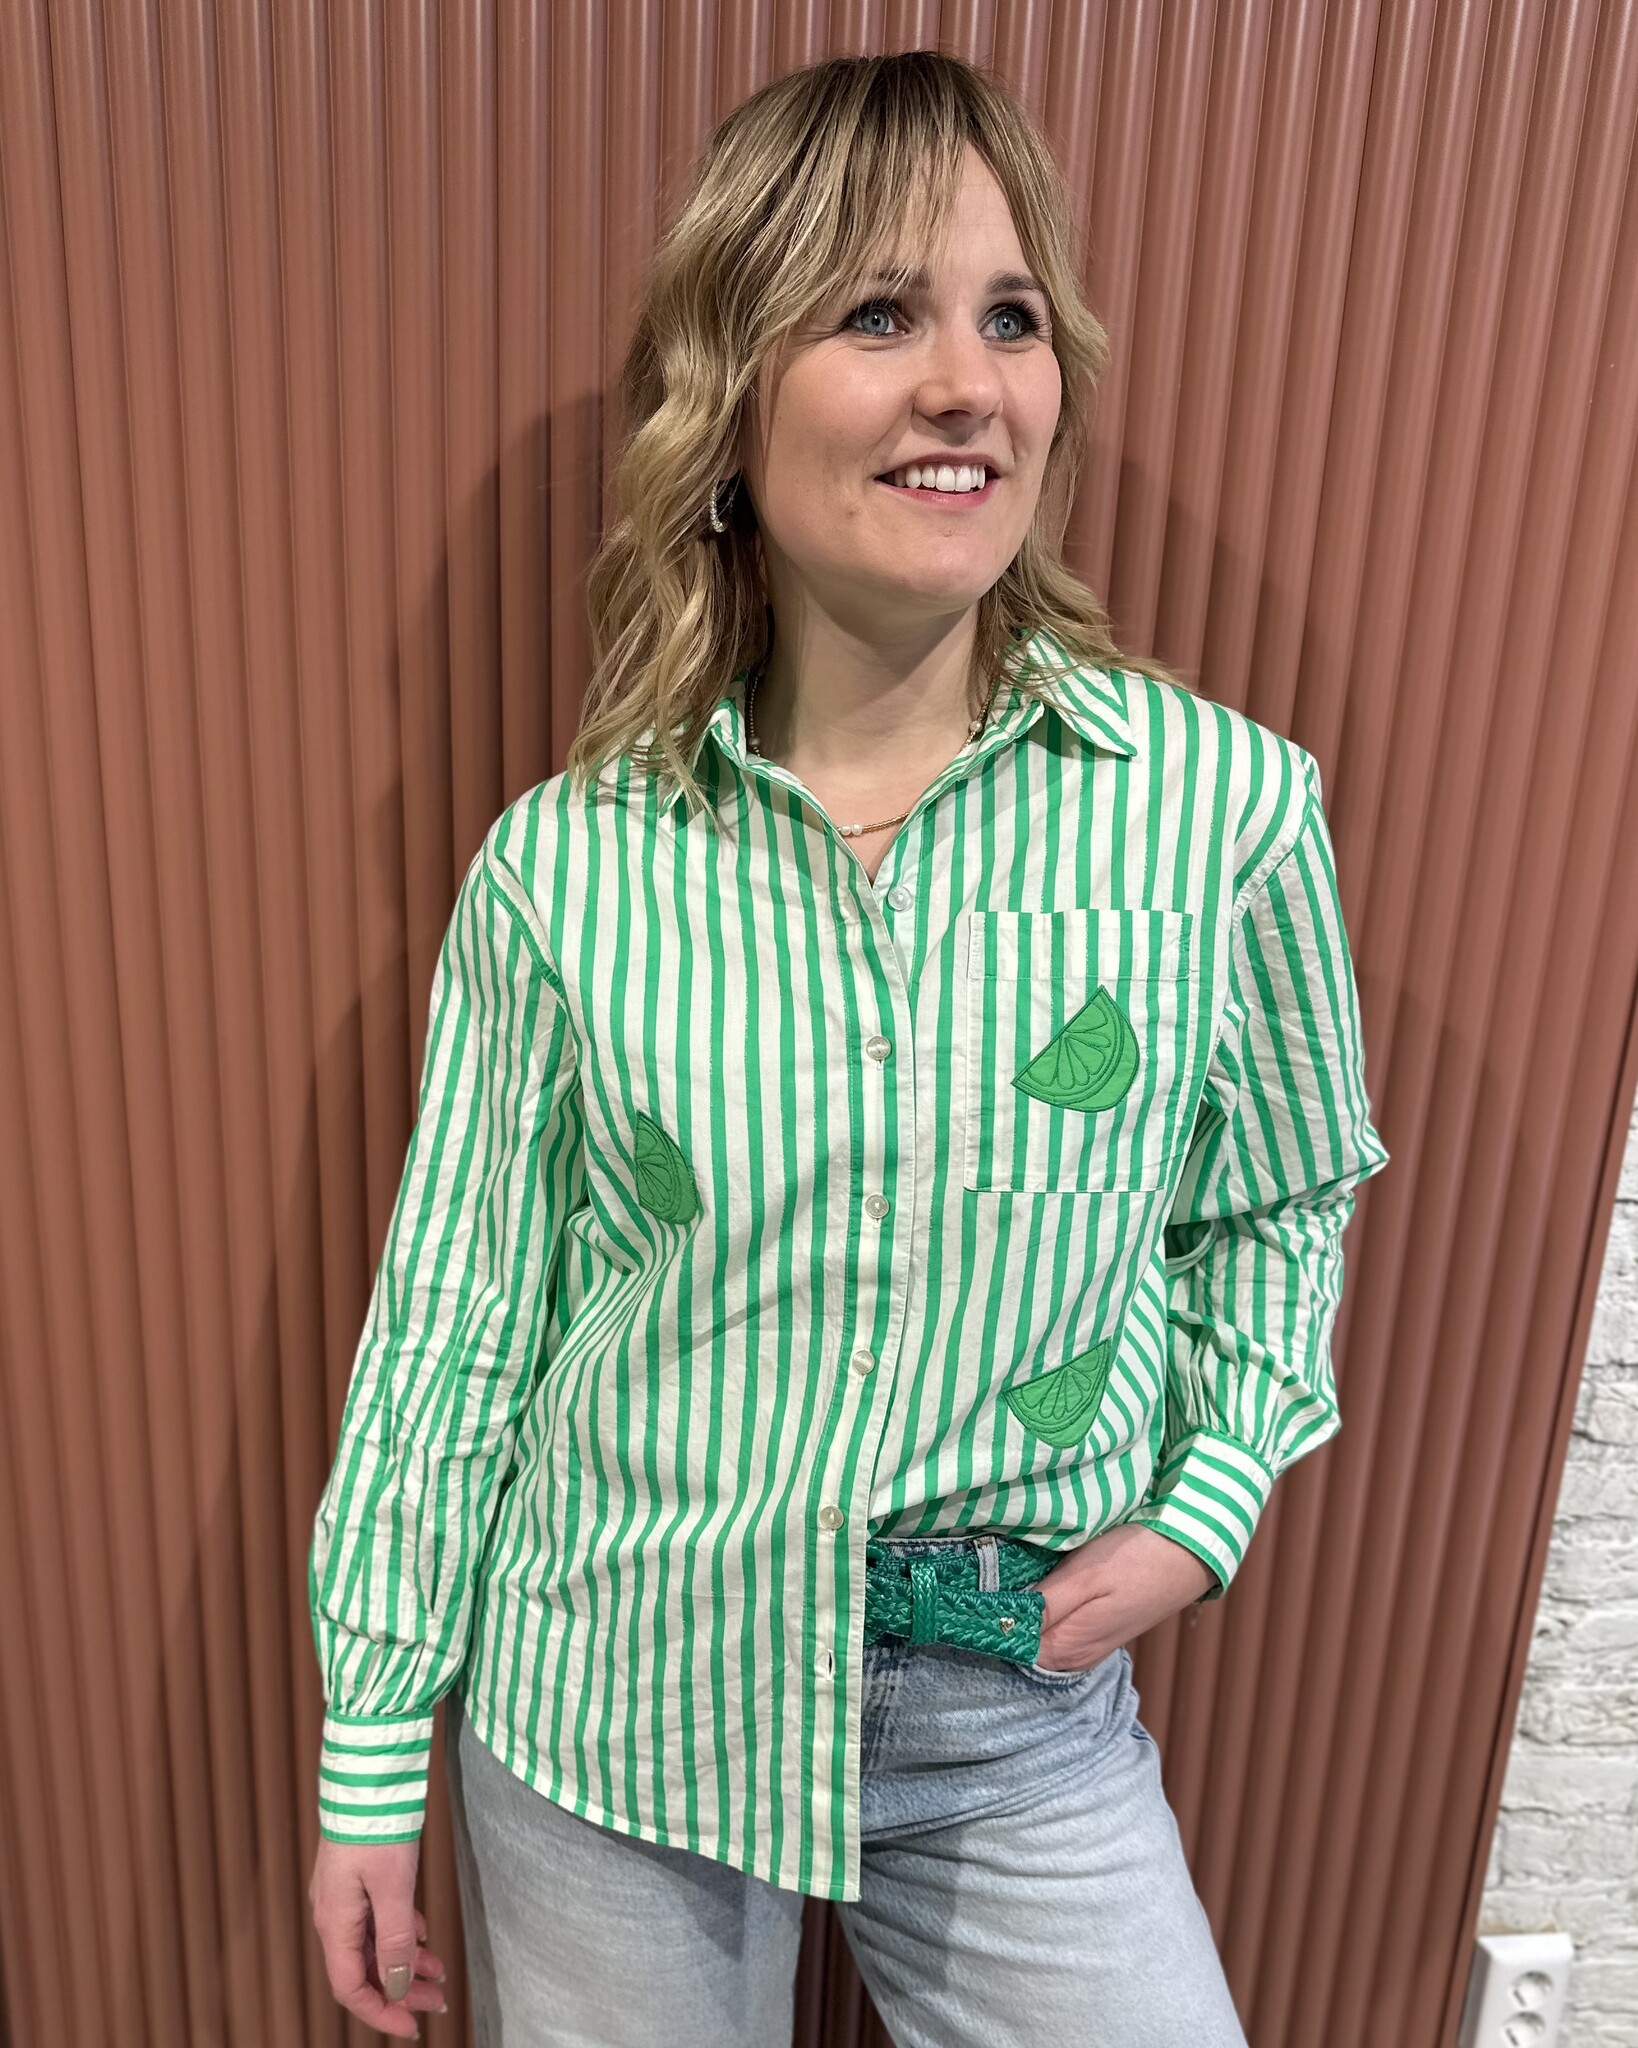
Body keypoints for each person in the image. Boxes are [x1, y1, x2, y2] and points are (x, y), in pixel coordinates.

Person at [306, 49, 1389, 2048]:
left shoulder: (1221, 814)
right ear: (731, 404)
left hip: (1012, 1708)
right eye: (879, 313)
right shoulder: (571, 868)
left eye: (1011, 316)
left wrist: (1206, 1502)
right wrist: (371, 1749)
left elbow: (1281, 1197)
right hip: (616, 1696)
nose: (967, 382)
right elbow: (456, 1322)